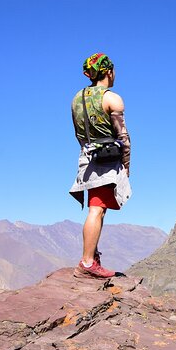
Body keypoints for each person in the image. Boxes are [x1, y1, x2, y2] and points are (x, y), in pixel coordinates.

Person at [69, 53, 132, 278]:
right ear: (108, 72)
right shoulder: (112, 98)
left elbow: (78, 133)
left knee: (96, 208)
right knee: (97, 209)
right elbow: (123, 137)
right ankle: (88, 263)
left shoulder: (77, 98)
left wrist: (87, 152)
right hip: (107, 159)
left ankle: (91, 256)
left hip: (87, 157)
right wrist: (126, 165)